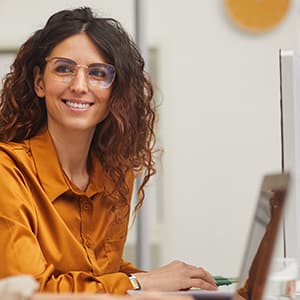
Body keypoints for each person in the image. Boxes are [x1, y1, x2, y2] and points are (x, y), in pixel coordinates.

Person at [0, 6, 217, 294]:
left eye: (98, 73)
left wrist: (176, 285)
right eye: (64, 69)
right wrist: (140, 283)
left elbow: (101, 272)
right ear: (40, 82)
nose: (79, 86)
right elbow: (32, 290)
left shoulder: (115, 175)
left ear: (116, 91)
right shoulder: (7, 172)